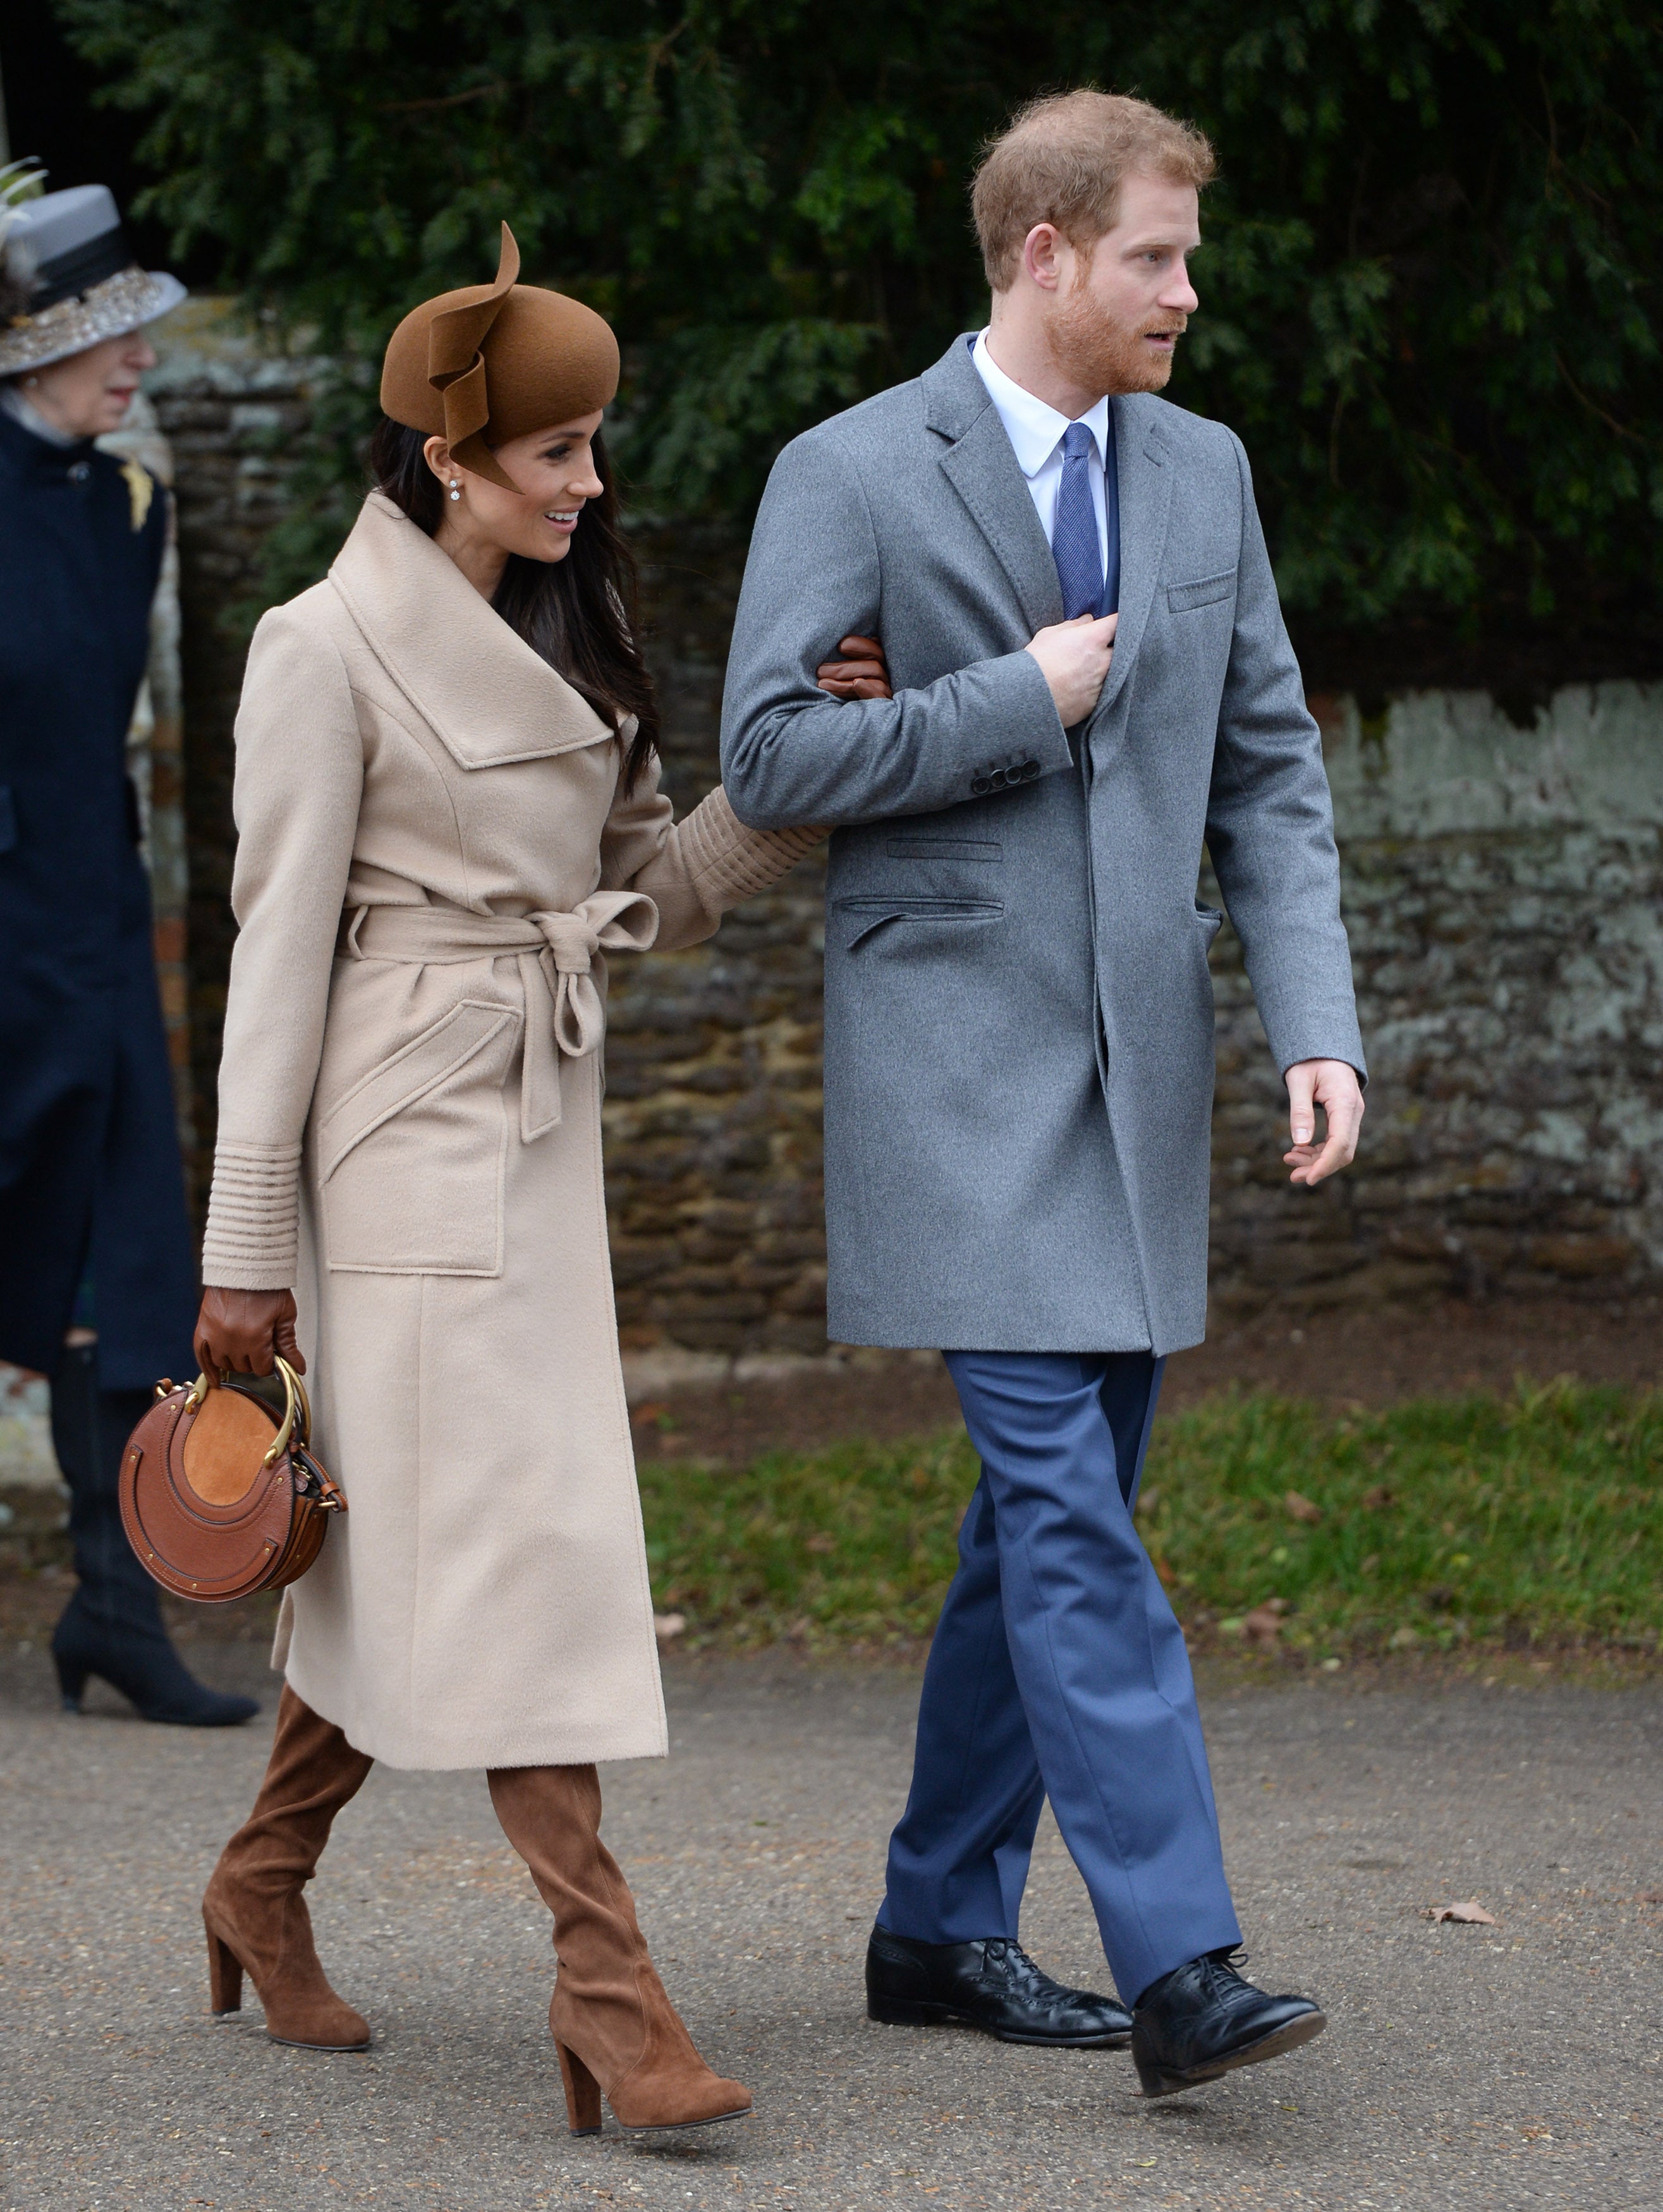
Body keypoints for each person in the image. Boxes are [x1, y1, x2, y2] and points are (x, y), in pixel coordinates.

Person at [720, 92, 1367, 2099]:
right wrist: (1026, 695)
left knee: (1037, 1529)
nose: (1191, 288)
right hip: (954, 1084)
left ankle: (934, 1920)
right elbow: (763, 757)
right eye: (1161, 254)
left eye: (1189, 253)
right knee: (1077, 1528)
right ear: (1047, 255)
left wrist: (1313, 1022)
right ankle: (1181, 1963)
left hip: (1142, 1089)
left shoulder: (1207, 470)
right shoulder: (848, 465)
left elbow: (1266, 765)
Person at [190, 224, 868, 2135]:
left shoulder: (572, 621)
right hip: (399, 1143)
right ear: (449, 461)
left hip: (533, 1128)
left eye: (593, 446)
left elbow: (638, 901)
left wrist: (791, 789)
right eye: (559, 451)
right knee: (529, 1560)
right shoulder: (319, 651)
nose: (592, 481)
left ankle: (258, 1878)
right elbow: (270, 954)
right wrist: (243, 1253)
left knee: (427, 1549)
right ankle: (610, 1992)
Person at [0, 170, 256, 1729]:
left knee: (126, 1261)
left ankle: (116, 1604)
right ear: (29, 346)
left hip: (89, 937)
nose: (139, 359)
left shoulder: (130, 506)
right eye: (108, 334)